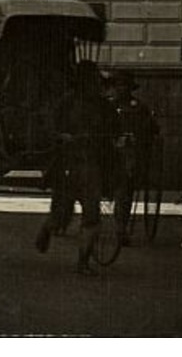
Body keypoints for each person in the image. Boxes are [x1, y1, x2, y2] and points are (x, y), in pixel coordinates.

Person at [36, 60, 116, 274]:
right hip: (67, 164)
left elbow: (114, 130)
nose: (93, 84)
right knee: (62, 212)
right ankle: (47, 228)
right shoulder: (67, 103)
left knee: (92, 215)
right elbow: (51, 128)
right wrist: (62, 136)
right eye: (89, 80)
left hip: (91, 164)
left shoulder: (103, 106)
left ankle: (83, 261)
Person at [107, 70, 158, 243]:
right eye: (118, 85)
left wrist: (138, 138)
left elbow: (151, 129)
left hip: (130, 155)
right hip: (111, 153)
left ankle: (121, 228)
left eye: (125, 86)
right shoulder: (109, 107)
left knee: (125, 192)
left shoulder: (139, 107)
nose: (121, 89)